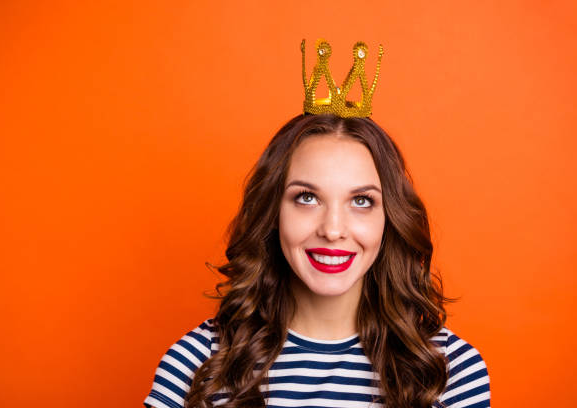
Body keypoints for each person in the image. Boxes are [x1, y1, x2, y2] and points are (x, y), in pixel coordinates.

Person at [143, 40, 491, 408]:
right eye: (307, 198)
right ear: (272, 213)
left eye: (361, 201)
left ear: (389, 220)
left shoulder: (449, 370)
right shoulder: (196, 364)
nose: (333, 228)